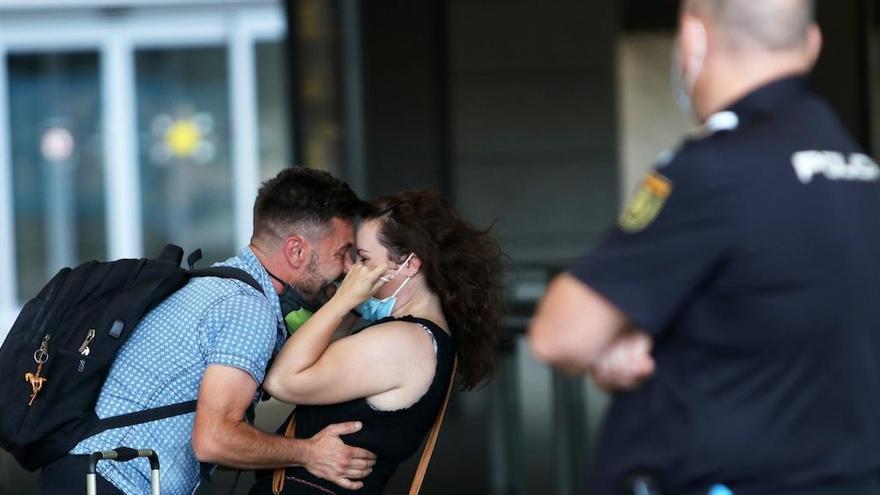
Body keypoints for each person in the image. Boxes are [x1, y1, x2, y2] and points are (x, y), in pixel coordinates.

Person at [529, 0, 880, 494]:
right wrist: (637, 331)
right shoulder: (858, 170)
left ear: (692, 37)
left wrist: (612, 334)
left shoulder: (714, 168)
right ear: (813, 43)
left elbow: (558, 335)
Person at [40, 167, 378, 494]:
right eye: (343, 253)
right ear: (296, 250)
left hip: (87, 474)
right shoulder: (247, 309)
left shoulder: (218, 284)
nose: (349, 269)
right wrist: (310, 453)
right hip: (112, 481)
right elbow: (214, 440)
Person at [250, 190, 505, 494]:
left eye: (364, 259)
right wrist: (352, 307)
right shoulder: (424, 337)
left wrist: (342, 300)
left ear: (409, 265)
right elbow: (325, 358)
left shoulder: (402, 341)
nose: (353, 270)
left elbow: (281, 381)